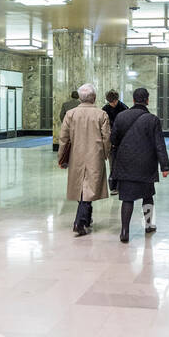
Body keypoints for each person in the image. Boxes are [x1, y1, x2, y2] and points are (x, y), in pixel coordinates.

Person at [110, 87, 169, 243]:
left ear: (134, 100)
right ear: (147, 100)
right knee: (148, 195)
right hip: (146, 165)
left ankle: (124, 231)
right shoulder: (152, 119)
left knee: (127, 199)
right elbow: (159, 145)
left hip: (125, 163)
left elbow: (113, 140)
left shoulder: (121, 117)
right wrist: (165, 166)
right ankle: (149, 225)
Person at [58, 84, 111, 237]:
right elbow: (106, 137)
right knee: (89, 187)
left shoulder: (70, 114)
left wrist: (61, 157)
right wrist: (106, 153)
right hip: (95, 155)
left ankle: (86, 218)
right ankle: (80, 221)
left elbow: (64, 138)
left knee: (82, 186)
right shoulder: (101, 115)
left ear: (80, 98)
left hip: (77, 155)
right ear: (94, 97)